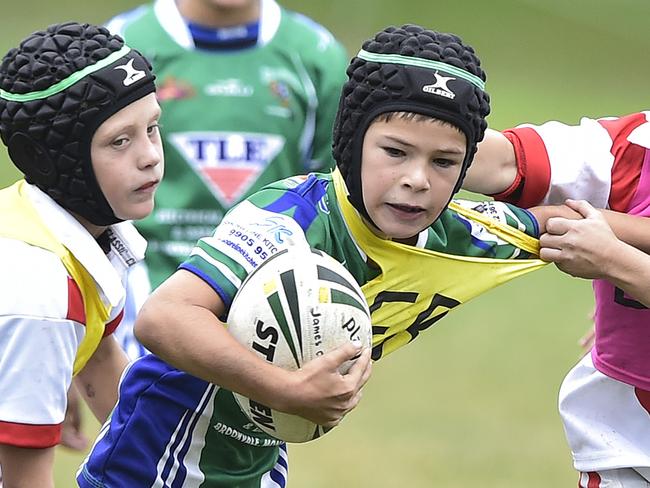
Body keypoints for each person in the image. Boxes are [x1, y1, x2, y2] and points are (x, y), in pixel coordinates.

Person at [76, 24, 643, 487]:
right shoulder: (289, 218)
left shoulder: (457, 236)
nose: (417, 180)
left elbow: (568, 224)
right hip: (154, 462)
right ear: (350, 144)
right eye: (394, 152)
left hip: (258, 466)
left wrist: (615, 248)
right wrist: (288, 392)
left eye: (445, 163)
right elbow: (164, 318)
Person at [104, 0, 349, 359]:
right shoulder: (123, 44)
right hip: (144, 306)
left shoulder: (316, 57)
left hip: (274, 315)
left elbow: (334, 203)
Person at [0, 21, 162, 487]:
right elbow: (24, 480)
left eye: (152, 127)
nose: (150, 155)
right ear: (47, 160)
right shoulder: (40, 290)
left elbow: (103, 364)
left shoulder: (83, 236)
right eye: (120, 141)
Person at [464, 114, 650, 486]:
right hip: (628, 439)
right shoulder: (635, 145)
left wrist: (619, 262)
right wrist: (426, 120)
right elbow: (503, 162)